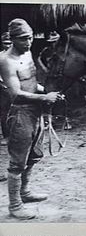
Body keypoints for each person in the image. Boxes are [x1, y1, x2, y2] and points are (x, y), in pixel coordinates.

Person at [0, 18, 64, 220]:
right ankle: (15, 205)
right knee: (17, 162)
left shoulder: (27, 53)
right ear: (12, 39)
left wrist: (49, 92)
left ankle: (25, 193)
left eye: (29, 38)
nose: (28, 43)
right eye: (23, 39)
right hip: (20, 113)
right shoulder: (5, 61)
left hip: (35, 111)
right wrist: (44, 97)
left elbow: (32, 83)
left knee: (34, 155)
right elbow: (16, 94)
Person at [0, 32, 13, 181]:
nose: (8, 45)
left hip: (18, 92)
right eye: (6, 43)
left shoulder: (20, 57)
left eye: (10, 43)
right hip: (4, 91)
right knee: (5, 116)